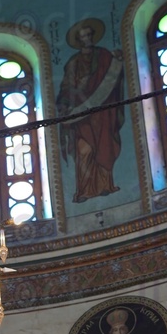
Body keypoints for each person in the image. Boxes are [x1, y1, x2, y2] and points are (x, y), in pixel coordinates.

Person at [56, 18, 124, 204]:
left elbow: (113, 79)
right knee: (84, 151)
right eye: (83, 36)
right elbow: (66, 87)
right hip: (80, 114)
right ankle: (85, 190)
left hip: (101, 113)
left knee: (104, 146)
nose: (87, 39)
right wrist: (65, 104)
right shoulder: (73, 62)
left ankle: (105, 186)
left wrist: (117, 61)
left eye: (89, 35)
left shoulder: (103, 56)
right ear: (78, 40)